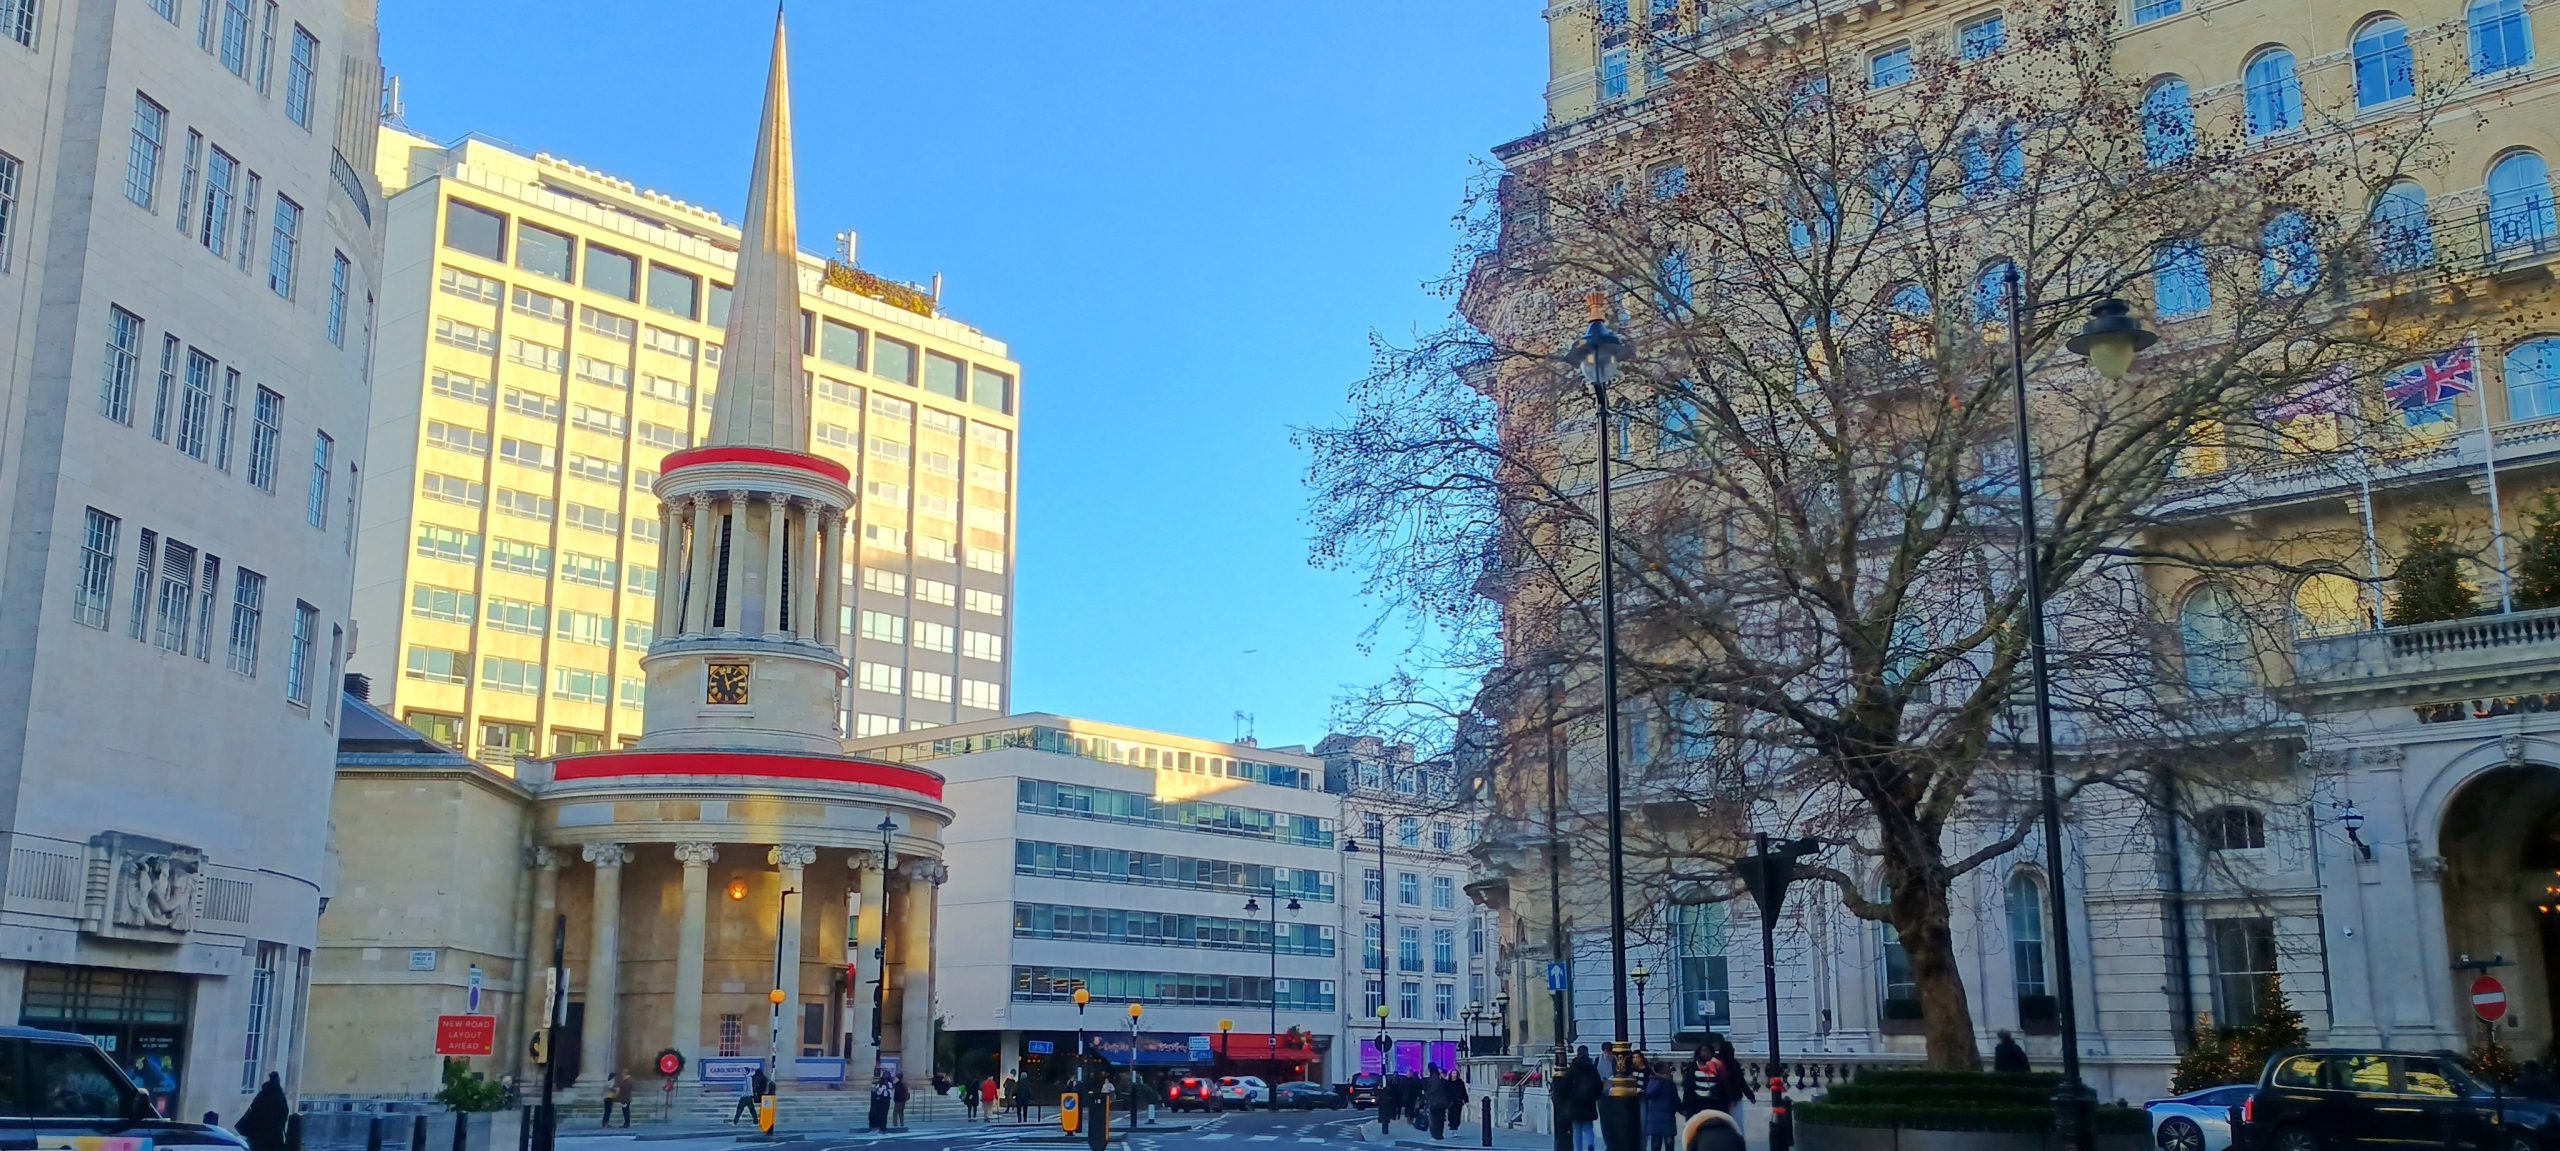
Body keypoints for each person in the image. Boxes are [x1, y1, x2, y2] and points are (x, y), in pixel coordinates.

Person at [1561, 1047, 1602, 1151]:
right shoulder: (1592, 1067)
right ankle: (1590, 1143)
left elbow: (1565, 1084)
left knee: (1577, 1128)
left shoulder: (1573, 1067)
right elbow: (1598, 1084)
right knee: (1588, 1126)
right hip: (1589, 1101)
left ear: (1577, 1053)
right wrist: (1595, 1096)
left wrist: (1566, 1097)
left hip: (1575, 1102)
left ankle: (1578, 1149)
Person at [236, 1072, 289, 1151]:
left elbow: (253, 1108)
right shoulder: (279, 1095)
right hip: (274, 1134)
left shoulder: (262, 1093)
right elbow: (284, 1113)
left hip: (258, 1133)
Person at [1712, 1037, 1753, 1129]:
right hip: (1728, 1098)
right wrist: (1749, 1095)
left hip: (1725, 1099)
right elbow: (1740, 1082)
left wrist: (1749, 1095)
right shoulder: (1731, 1064)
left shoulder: (1718, 1063)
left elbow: (1740, 1081)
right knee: (1735, 1124)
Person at [1642, 1064, 1680, 1151]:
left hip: (1661, 1119)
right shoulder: (1661, 1082)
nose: (1669, 1069)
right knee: (1663, 1144)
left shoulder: (1659, 1082)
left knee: (1661, 1144)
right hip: (1664, 1119)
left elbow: (1675, 1099)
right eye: (1667, 1067)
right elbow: (1650, 1094)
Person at [1438, 1070, 1470, 1140]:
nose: (1454, 1075)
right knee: (1451, 1115)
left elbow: (1464, 1092)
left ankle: (1455, 1127)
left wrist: (1466, 1100)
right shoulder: (1448, 1083)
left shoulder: (1460, 1082)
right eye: (1453, 1073)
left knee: (1457, 1115)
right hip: (1450, 1101)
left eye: (1455, 1073)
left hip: (1458, 1101)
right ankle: (1452, 1127)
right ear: (1451, 1074)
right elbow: (1444, 1092)